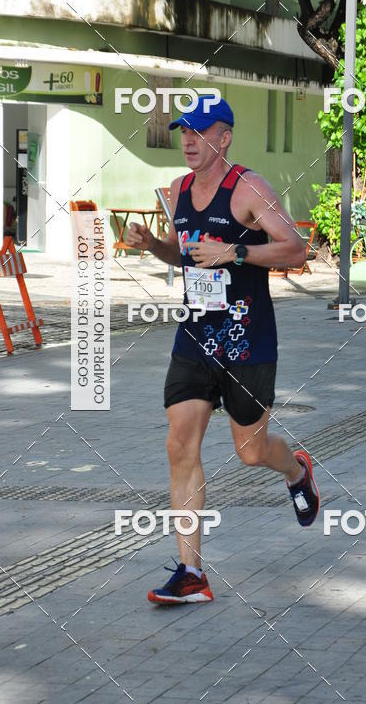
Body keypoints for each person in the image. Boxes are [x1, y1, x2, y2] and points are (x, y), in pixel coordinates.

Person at [126, 95, 320, 604]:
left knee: (251, 451)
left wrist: (236, 250)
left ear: (225, 137)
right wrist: (153, 244)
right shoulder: (178, 189)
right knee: (178, 444)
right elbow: (183, 253)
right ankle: (191, 572)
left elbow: (298, 248)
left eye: (199, 131)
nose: (188, 141)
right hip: (194, 336)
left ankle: (297, 469)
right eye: (182, 132)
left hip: (247, 338)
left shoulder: (249, 187)